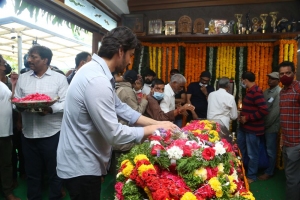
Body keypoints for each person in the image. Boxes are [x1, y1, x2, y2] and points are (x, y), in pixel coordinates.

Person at [56, 26, 177, 199]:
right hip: (81, 165)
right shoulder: (96, 79)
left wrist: (157, 123)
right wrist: (153, 130)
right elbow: (114, 134)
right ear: (121, 51)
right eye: (130, 55)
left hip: (86, 158)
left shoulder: (97, 71)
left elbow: (120, 108)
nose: (129, 62)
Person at [14, 45, 68, 200]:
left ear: (45, 60)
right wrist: (20, 107)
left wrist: (50, 110)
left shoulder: (59, 79)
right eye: (29, 56)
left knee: (55, 173)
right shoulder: (23, 78)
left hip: (52, 134)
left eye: (34, 57)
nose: (29, 60)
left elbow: (66, 103)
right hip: (29, 134)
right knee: (32, 174)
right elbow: (17, 100)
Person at [237, 71, 268, 183]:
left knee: (252, 154)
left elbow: (264, 110)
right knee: (241, 150)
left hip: (253, 129)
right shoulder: (250, 91)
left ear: (245, 80)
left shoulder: (256, 92)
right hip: (245, 128)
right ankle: (242, 172)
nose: (242, 82)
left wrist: (247, 118)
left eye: (242, 80)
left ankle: (252, 176)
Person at [278, 61, 300, 200]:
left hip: (297, 143)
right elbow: (284, 117)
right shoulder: (282, 92)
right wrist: (282, 139)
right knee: (292, 177)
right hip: (287, 142)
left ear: (294, 73)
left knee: (292, 179)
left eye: (288, 73)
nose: (284, 75)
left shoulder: (298, 89)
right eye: (282, 73)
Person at [0, 59, 20, 200]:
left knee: (6, 163)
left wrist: (13, 85)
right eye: (2, 62)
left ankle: (7, 192)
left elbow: (11, 102)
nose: (5, 64)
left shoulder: (3, 85)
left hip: (5, 132)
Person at [258, 72, 281, 181]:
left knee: (271, 150)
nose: (270, 80)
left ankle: (269, 172)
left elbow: (275, 113)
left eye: (273, 79)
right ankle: (264, 166)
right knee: (264, 148)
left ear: (278, 81)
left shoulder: (279, 92)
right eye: (269, 78)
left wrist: (265, 125)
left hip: (271, 126)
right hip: (263, 125)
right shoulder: (266, 91)